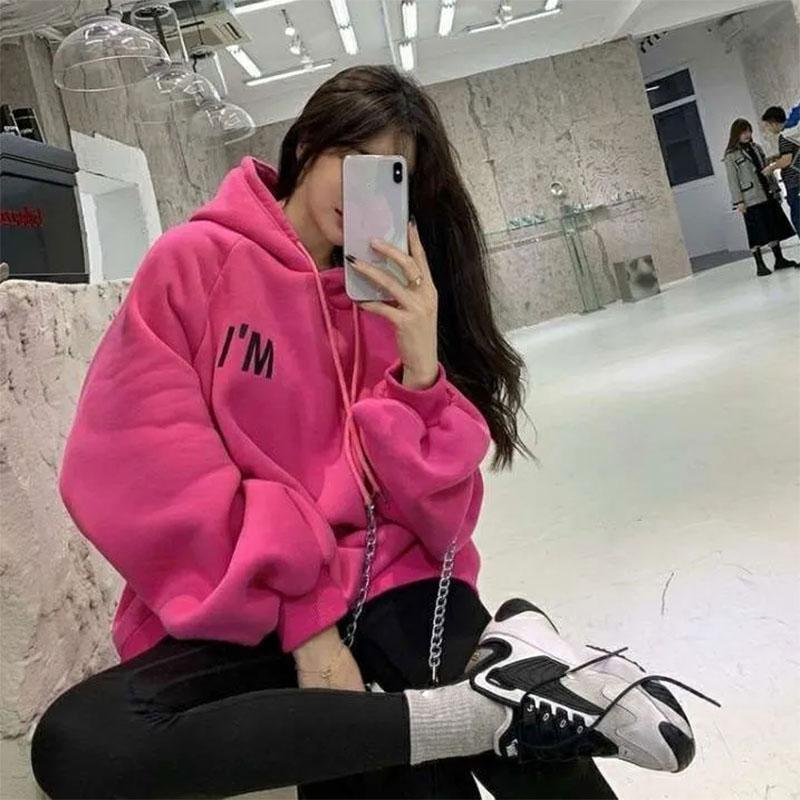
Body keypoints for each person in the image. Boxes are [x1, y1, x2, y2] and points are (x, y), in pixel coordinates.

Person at [30, 66, 706, 800]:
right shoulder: (193, 264)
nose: (362, 195)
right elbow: (142, 462)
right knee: (80, 743)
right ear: (307, 145)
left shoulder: (389, 294)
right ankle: (481, 713)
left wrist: (420, 368)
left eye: (389, 177)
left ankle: (490, 705)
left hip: (391, 582)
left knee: (527, 755)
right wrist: (312, 629)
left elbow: (442, 524)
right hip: (247, 596)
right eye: (352, 160)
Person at [724, 118, 798, 276]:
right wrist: (739, 201)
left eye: (748, 131)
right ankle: (760, 265)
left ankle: (779, 259)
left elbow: (766, 168)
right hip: (750, 198)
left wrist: (776, 189)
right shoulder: (731, 155)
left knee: (772, 226)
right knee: (755, 231)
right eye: (743, 132)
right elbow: (732, 180)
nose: (747, 135)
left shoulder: (756, 147)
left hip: (766, 192)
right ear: (736, 134)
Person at [761, 105, 800, 236]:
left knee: (798, 217)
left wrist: (771, 168)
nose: (768, 129)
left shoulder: (784, 137)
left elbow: (786, 160)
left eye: (767, 126)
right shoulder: (793, 132)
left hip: (795, 183)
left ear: (774, 123)